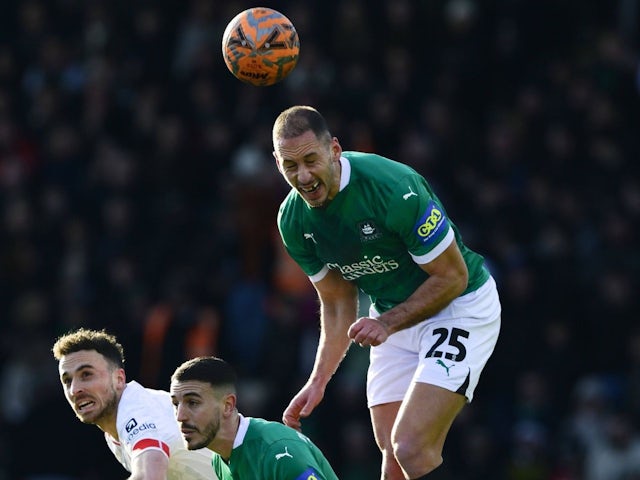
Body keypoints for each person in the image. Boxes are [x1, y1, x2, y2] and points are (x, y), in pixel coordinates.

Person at [272, 105, 502, 480]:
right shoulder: (293, 220)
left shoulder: (393, 188)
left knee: (410, 445)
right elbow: (336, 302)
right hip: (394, 317)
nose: (304, 176)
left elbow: (453, 277)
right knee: (393, 462)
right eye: (290, 166)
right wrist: (318, 380)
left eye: (311, 160)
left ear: (334, 149)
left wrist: (388, 323)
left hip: (460, 306)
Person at [52, 327, 227, 480]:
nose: (75, 389)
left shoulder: (136, 411)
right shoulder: (114, 429)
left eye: (86, 375)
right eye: (67, 380)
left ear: (119, 379)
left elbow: (150, 476)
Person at [170, 355, 339, 480]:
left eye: (192, 403)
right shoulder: (219, 458)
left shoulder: (278, 454)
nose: (180, 416)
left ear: (227, 405)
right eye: (176, 404)